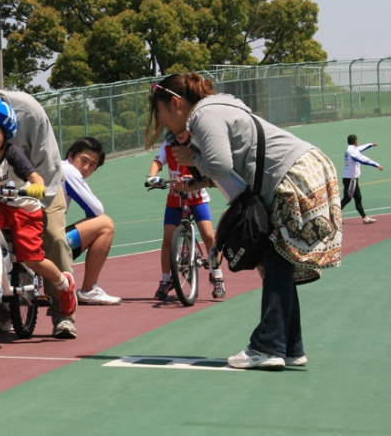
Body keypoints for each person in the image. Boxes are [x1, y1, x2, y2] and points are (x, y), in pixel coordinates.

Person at [146, 73, 342, 370]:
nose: (161, 122)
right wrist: (201, 182)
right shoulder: (221, 108)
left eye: (159, 113)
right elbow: (233, 166)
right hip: (304, 170)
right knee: (279, 261)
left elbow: (220, 165)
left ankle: (267, 346)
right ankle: (289, 345)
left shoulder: (204, 115)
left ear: (175, 103)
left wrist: (192, 160)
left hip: (290, 176)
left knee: (275, 259)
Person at [0, 63, 78, 339]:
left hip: (37, 186)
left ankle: (63, 314)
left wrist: (37, 196)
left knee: (53, 238)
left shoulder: (27, 111)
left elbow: (47, 161)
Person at [147, 133, 225, 301]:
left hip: (197, 198)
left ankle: (217, 276)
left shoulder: (197, 144)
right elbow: (157, 162)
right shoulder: (168, 144)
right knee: (168, 239)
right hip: (175, 199)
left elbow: (207, 165)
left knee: (208, 235)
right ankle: (166, 280)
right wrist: (152, 176)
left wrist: (198, 177)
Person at [62, 137, 121, 305]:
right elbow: (96, 210)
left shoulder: (57, 166)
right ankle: (89, 289)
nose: (86, 168)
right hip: (45, 245)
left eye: (92, 165)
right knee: (105, 224)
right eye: (84, 161)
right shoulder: (68, 171)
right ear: (72, 155)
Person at [341, 134, 384, 224]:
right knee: (349, 199)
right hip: (351, 179)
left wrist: (369, 145)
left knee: (355, 198)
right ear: (355, 141)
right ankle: (334, 217)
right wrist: (376, 165)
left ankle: (364, 217)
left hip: (351, 179)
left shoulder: (351, 149)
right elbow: (362, 159)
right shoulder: (352, 151)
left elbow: (360, 148)